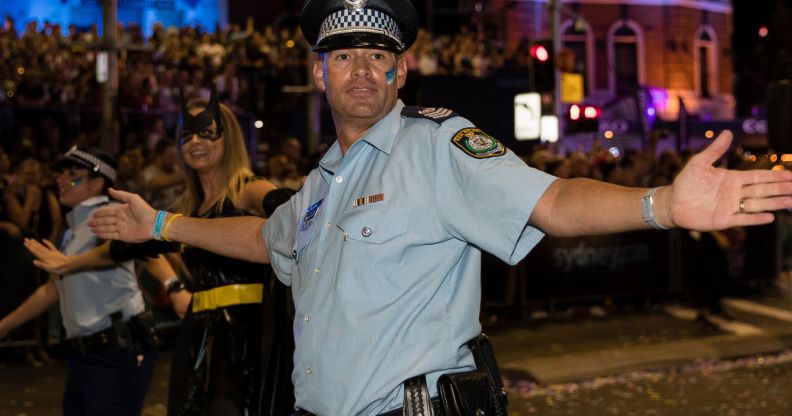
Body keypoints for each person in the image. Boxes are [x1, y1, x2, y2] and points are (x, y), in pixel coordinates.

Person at [88, 0, 792, 414]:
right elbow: (263, 237)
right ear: (317, 71)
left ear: (401, 70)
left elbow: (550, 201)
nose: (362, 68)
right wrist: (158, 224)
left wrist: (662, 203)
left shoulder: (436, 145)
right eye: (344, 55)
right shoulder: (319, 185)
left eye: (377, 54)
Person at [36, 88, 295, 415]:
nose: (195, 142)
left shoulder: (250, 189)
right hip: (199, 329)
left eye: (206, 133)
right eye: (186, 136)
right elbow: (123, 250)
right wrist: (70, 262)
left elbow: (294, 216)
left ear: (228, 139)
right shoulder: (186, 209)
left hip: (243, 336)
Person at [0, 145, 158, 416]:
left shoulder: (110, 213)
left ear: (97, 183)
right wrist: (3, 325)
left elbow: (120, 249)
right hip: (84, 356)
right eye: (61, 175)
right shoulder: (73, 229)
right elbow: (53, 289)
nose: (61, 181)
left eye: (73, 175)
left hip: (116, 352)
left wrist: (173, 286)